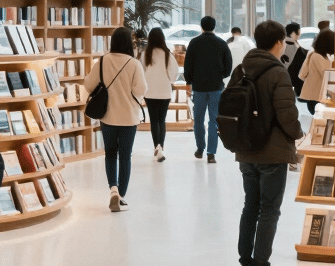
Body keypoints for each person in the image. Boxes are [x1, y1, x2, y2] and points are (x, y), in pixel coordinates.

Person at [228, 19, 304, 266]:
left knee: (251, 206)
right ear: (277, 43)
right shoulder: (277, 72)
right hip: (272, 152)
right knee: (269, 210)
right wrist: (298, 134)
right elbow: (287, 114)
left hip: (246, 149)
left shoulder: (242, 69)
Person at [83, 26, 147, 212]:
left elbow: (88, 85)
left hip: (108, 116)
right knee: (125, 156)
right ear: (129, 43)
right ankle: (122, 196)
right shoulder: (134, 64)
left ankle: (113, 189)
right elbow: (142, 90)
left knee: (110, 154)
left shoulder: (103, 61)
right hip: (129, 117)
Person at [183, 16, 233, 163]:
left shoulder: (194, 43)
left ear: (201, 26)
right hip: (216, 87)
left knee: (198, 119)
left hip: (198, 88)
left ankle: (200, 149)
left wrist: (189, 80)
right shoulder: (221, 43)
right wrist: (221, 76)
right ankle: (211, 153)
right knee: (214, 120)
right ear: (214, 26)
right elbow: (228, 65)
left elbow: (188, 65)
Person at [141, 27, 179, 163]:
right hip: (164, 91)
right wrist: (170, 81)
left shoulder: (145, 53)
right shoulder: (167, 54)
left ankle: (155, 147)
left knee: (153, 120)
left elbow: (141, 70)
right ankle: (160, 147)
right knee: (161, 121)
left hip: (149, 91)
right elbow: (174, 72)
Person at [299, 28, 335, 115]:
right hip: (315, 97)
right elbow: (325, 74)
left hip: (317, 96)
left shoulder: (322, 55)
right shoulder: (317, 56)